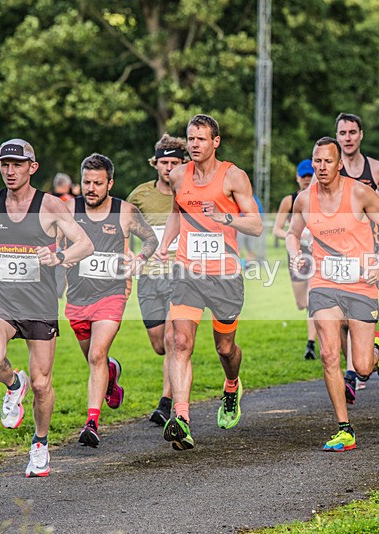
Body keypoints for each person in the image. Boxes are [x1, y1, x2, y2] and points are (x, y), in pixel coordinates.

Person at [0, 139, 94, 476]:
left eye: (17, 165)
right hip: (1, 299)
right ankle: (12, 384)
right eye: (4, 164)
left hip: (39, 303)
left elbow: (85, 243)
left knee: (41, 383)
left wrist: (60, 256)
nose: (10, 171)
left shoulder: (50, 205)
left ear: (32, 168)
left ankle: (40, 443)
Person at [154, 114, 262, 451]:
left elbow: (256, 225)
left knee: (225, 349)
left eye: (202, 139)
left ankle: (232, 385)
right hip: (187, 272)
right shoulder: (178, 175)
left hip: (225, 276)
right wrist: (164, 244)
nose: (195, 145)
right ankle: (181, 419)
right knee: (179, 341)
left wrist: (224, 217)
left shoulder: (233, 176)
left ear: (216, 142)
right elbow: (177, 211)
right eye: (191, 138)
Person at [286, 136, 379, 451]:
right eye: (317, 161)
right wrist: (295, 252)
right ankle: (344, 427)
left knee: (362, 367)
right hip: (323, 284)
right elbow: (292, 233)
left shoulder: (360, 193)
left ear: (339, 164)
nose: (321, 167)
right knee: (328, 353)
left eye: (328, 161)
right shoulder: (304, 200)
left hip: (361, 283)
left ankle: (377, 352)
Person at [64, 154, 158, 447]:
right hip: (77, 296)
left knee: (95, 355)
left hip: (112, 293)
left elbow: (151, 239)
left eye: (98, 183)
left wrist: (140, 258)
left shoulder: (124, 211)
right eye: (86, 182)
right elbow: (49, 237)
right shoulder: (68, 208)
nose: (91, 188)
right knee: (94, 357)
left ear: (110, 183)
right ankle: (111, 373)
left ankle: (91, 422)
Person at [335, 113, 379, 397]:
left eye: (352, 132)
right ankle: (361, 360)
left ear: (361, 135)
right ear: (337, 136)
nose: (348, 138)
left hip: (369, 254)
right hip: (337, 254)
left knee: (351, 315)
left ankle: (353, 372)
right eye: (343, 133)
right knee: (337, 319)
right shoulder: (331, 170)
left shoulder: (375, 168)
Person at [126, 133, 188, 425]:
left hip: (180, 274)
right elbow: (124, 227)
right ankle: (172, 388)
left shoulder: (189, 191)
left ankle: (167, 403)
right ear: (155, 164)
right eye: (164, 162)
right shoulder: (139, 195)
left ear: (183, 163)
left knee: (173, 340)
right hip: (150, 277)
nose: (169, 168)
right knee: (159, 343)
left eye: (174, 162)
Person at [273, 158, 319, 360]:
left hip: (317, 253)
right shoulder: (289, 201)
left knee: (313, 298)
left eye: (311, 176)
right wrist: (295, 236)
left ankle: (311, 344)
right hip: (296, 254)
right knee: (302, 302)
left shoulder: (320, 198)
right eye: (304, 176)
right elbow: (277, 230)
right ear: (297, 177)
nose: (307, 180)